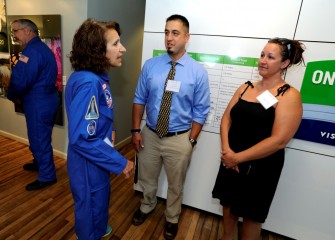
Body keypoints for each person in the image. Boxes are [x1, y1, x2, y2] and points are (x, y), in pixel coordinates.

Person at [212, 38, 305, 240]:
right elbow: (226, 118)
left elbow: (279, 140)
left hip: (262, 166)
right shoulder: (245, 87)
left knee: (251, 215)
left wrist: (238, 158)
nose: (263, 60)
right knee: (228, 203)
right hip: (231, 158)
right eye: (262, 55)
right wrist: (228, 151)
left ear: (284, 64)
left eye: (270, 57)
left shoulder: (289, 96)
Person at [131, 14, 210, 240]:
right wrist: (136, 131)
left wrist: (191, 140)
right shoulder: (151, 66)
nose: (169, 38)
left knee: (176, 184)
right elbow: (139, 99)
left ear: (186, 37)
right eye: (166, 32)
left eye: (175, 33)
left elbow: (201, 110)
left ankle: (172, 218)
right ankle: (146, 205)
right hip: (151, 135)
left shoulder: (197, 72)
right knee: (147, 177)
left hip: (179, 137)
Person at [65, 18, 135, 240]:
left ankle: (99, 228)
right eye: (115, 44)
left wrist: (110, 128)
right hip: (88, 164)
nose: (122, 48)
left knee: (99, 202)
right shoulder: (89, 83)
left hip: (96, 158)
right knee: (91, 207)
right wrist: (121, 161)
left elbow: (96, 114)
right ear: (97, 50)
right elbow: (82, 139)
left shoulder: (93, 78)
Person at [7, 19, 59, 191]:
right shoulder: (42, 48)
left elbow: (21, 80)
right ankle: (39, 162)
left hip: (38, 102)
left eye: (16, 31)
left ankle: (47, 176)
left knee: (39, 139)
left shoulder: (32, 51)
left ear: (28, 31)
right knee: (41, 137)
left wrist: (11, 94)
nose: (14, 36)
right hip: (47, 99)